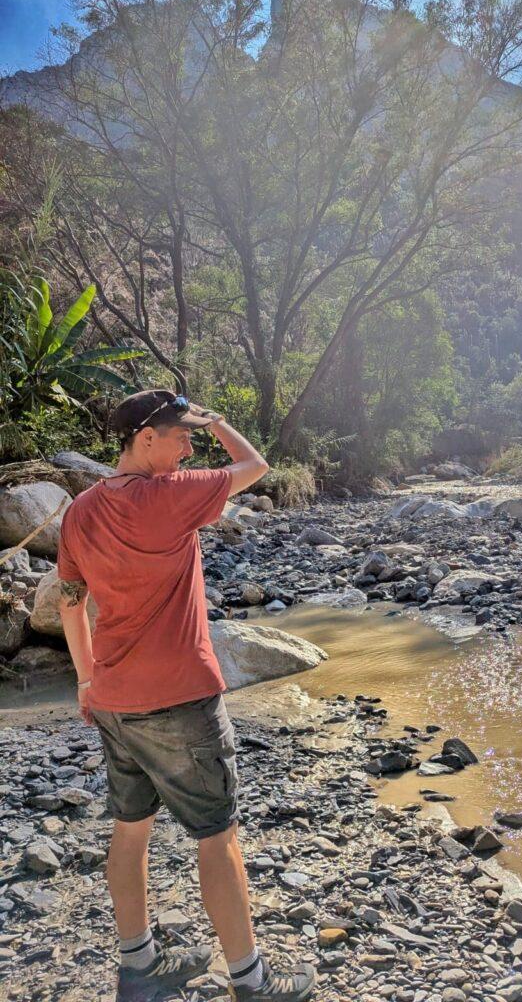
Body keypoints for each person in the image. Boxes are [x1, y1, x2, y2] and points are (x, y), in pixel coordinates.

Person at [57, 389, 316, 1002]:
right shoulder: (170, 496)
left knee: (130, 829)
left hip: (115, 700)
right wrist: (220, 419)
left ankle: (139, 965)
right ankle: (252, 981)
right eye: (181, 435)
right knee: (217, 832)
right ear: (146, 440)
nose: (189, 445)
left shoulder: (78, 511)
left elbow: (71, 602)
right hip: (179, 696)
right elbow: (255, 467)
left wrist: (87, 678)